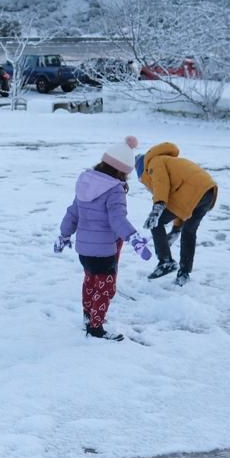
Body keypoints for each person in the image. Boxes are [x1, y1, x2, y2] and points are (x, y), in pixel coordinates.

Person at [55, 137, 152, 341]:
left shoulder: (86, 181)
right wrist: (134, 238)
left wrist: (64, 234)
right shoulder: (114, 189)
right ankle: (96, 328)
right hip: (104, 251)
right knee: (106, 288)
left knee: (90, 281)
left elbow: (73, 213)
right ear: (121, 170)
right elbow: (117, 219)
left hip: (84, 250)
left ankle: (88, 317)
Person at [135, 141, 218, 287]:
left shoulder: (153, 162)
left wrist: (157, 207)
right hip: (207, 191)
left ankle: (166, 261)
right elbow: (179, 201)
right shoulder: (170, 161)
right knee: (189, 231)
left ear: (143, 172)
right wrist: (176, 228)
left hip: (193, 192)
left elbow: (161, 183)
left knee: (157, 222)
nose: (147, 186)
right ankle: (184, 273)